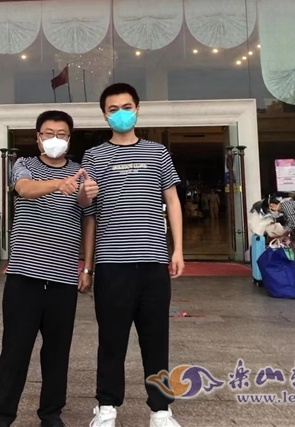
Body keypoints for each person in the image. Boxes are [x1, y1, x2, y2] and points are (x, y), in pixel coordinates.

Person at [78, 83, 185, 427]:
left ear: (137, 109)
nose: (121, 113)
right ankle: (107, 406)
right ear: (104, 115)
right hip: (112, 264)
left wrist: (178, 249)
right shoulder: (94, 156)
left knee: (156, 339)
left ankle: (161, 409)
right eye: (113, 109)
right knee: (111, 339)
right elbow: (87, 211)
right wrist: (88, 266)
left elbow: (172, 201)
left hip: (153, 261)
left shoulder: (158, 152)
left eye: (126, 107)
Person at [0, 110, 97, 427]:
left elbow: (88, 218)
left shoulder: (81, 173)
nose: (55, 139)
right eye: (48, 133)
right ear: (38, 137)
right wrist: (58, 184)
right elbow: (24, 189)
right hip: (24, 277)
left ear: (69, 139)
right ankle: (3, 415)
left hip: (63, 278)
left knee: (57, 352)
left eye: (61, 134)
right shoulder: (23, 164)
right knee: (15, 349)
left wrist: (87, 268)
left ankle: (51, 414)